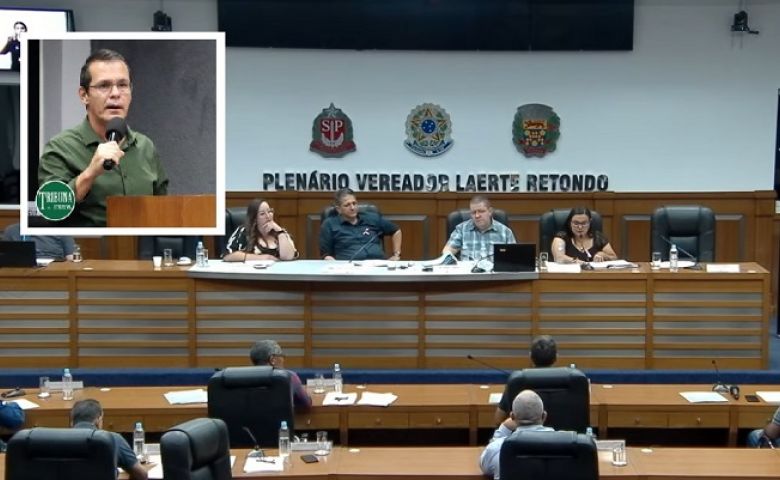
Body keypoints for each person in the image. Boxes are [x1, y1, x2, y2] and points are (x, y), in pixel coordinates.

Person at [38, 49, 168, 227]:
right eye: (104, 86)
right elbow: (50, 212)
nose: (115, 93)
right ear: (84, 95)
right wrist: (90, 173)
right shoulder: (60, 147)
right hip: (88, 243)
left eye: (122, 85)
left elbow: (163, 209)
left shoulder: (145, 146)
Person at [479, 389, 554, 480]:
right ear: (544, 416)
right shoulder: (566, 444)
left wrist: (503, 430)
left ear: (512, 417)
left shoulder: (497, 449)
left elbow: (485, 466)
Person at [70, 399, 147, 480]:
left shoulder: (60, 441)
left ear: (72, 422)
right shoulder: (112, 439)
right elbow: (141, 475)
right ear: (98, 420)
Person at [319, 188, 402, 261]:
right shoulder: (329, 224)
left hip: (378, 265)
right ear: (338, 209)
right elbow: (326, 255)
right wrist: (334, 265)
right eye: (347, 205)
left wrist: (396, 254)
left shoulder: (371, 218)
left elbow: (396, 230)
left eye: (354, 203)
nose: (352, 208)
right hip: (348, 268)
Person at [493, 335, 557, 424]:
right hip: (566, 433)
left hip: (523, 433)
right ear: (556, 357)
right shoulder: (571, 380)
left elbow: (498, 419)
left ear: (530, 356)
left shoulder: (517, 380)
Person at [443, 195, 515, 261]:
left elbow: (514, 258)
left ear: (490, 211)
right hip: (469, 270)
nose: (477, 216)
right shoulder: (461, 229)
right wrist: (450, 259)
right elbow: (447, 252)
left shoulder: (505, 232)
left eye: (481, 211)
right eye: (473, 212)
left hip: (494, 271)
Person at [223, 199, 297, 261]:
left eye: (269, 211)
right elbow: (228, 256)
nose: (268, 216)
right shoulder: (244, 231)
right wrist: (263, 258)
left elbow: (288, 257)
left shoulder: (281, 232)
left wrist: (280, 232)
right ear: (254, 218)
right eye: (262, 214)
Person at [249, 340, 312, 409]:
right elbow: (306, 404)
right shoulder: (288, 377)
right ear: (272, 360)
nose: (283, 360)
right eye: (281, 356)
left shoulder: (244, 378)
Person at [551, 206, 617, 264]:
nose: (580, 227)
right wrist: (579, 263)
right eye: (576, 223)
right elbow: (559, 258)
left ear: (590, 222)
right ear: (570, 222)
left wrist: (603, 255)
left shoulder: (598, 237)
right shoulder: (562, 237)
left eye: (584, 223)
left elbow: (614, 257)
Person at [2, 223, 75, 260]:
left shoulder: (61, 230)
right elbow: (4, 258)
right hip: (20, 272)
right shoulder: (11, 230)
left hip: (53, 269)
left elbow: (71, 257)